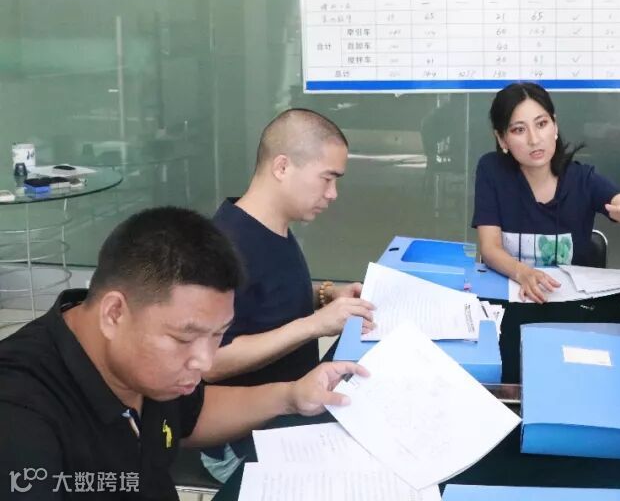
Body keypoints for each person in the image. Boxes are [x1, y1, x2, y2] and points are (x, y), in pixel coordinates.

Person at [0, 207, 365, 501]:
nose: (204, 361)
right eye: (184, 338)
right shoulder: (20, 414)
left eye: (218, 335)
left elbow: (193, 413)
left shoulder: (145, 366)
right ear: (114, 313)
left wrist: (291, 396)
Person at [199, 108, 375, 480]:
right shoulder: (224, 247)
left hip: (293, 408)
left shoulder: (271, 226)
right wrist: (315, 325)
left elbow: (267, 298)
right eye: (327, 178)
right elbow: (211, 363)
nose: (332, 194)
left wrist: (327, 294)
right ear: (282, 167)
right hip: (242, 438)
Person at [473, 82, 620, 303]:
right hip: (510, 302)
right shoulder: (492, 171)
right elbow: (490, 248)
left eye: (541, 124)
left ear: (555, 126)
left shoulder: (582, 179)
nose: (534, 139)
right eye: (519, 130)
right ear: (502, 139)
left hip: (572, 307)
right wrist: (522, 273)